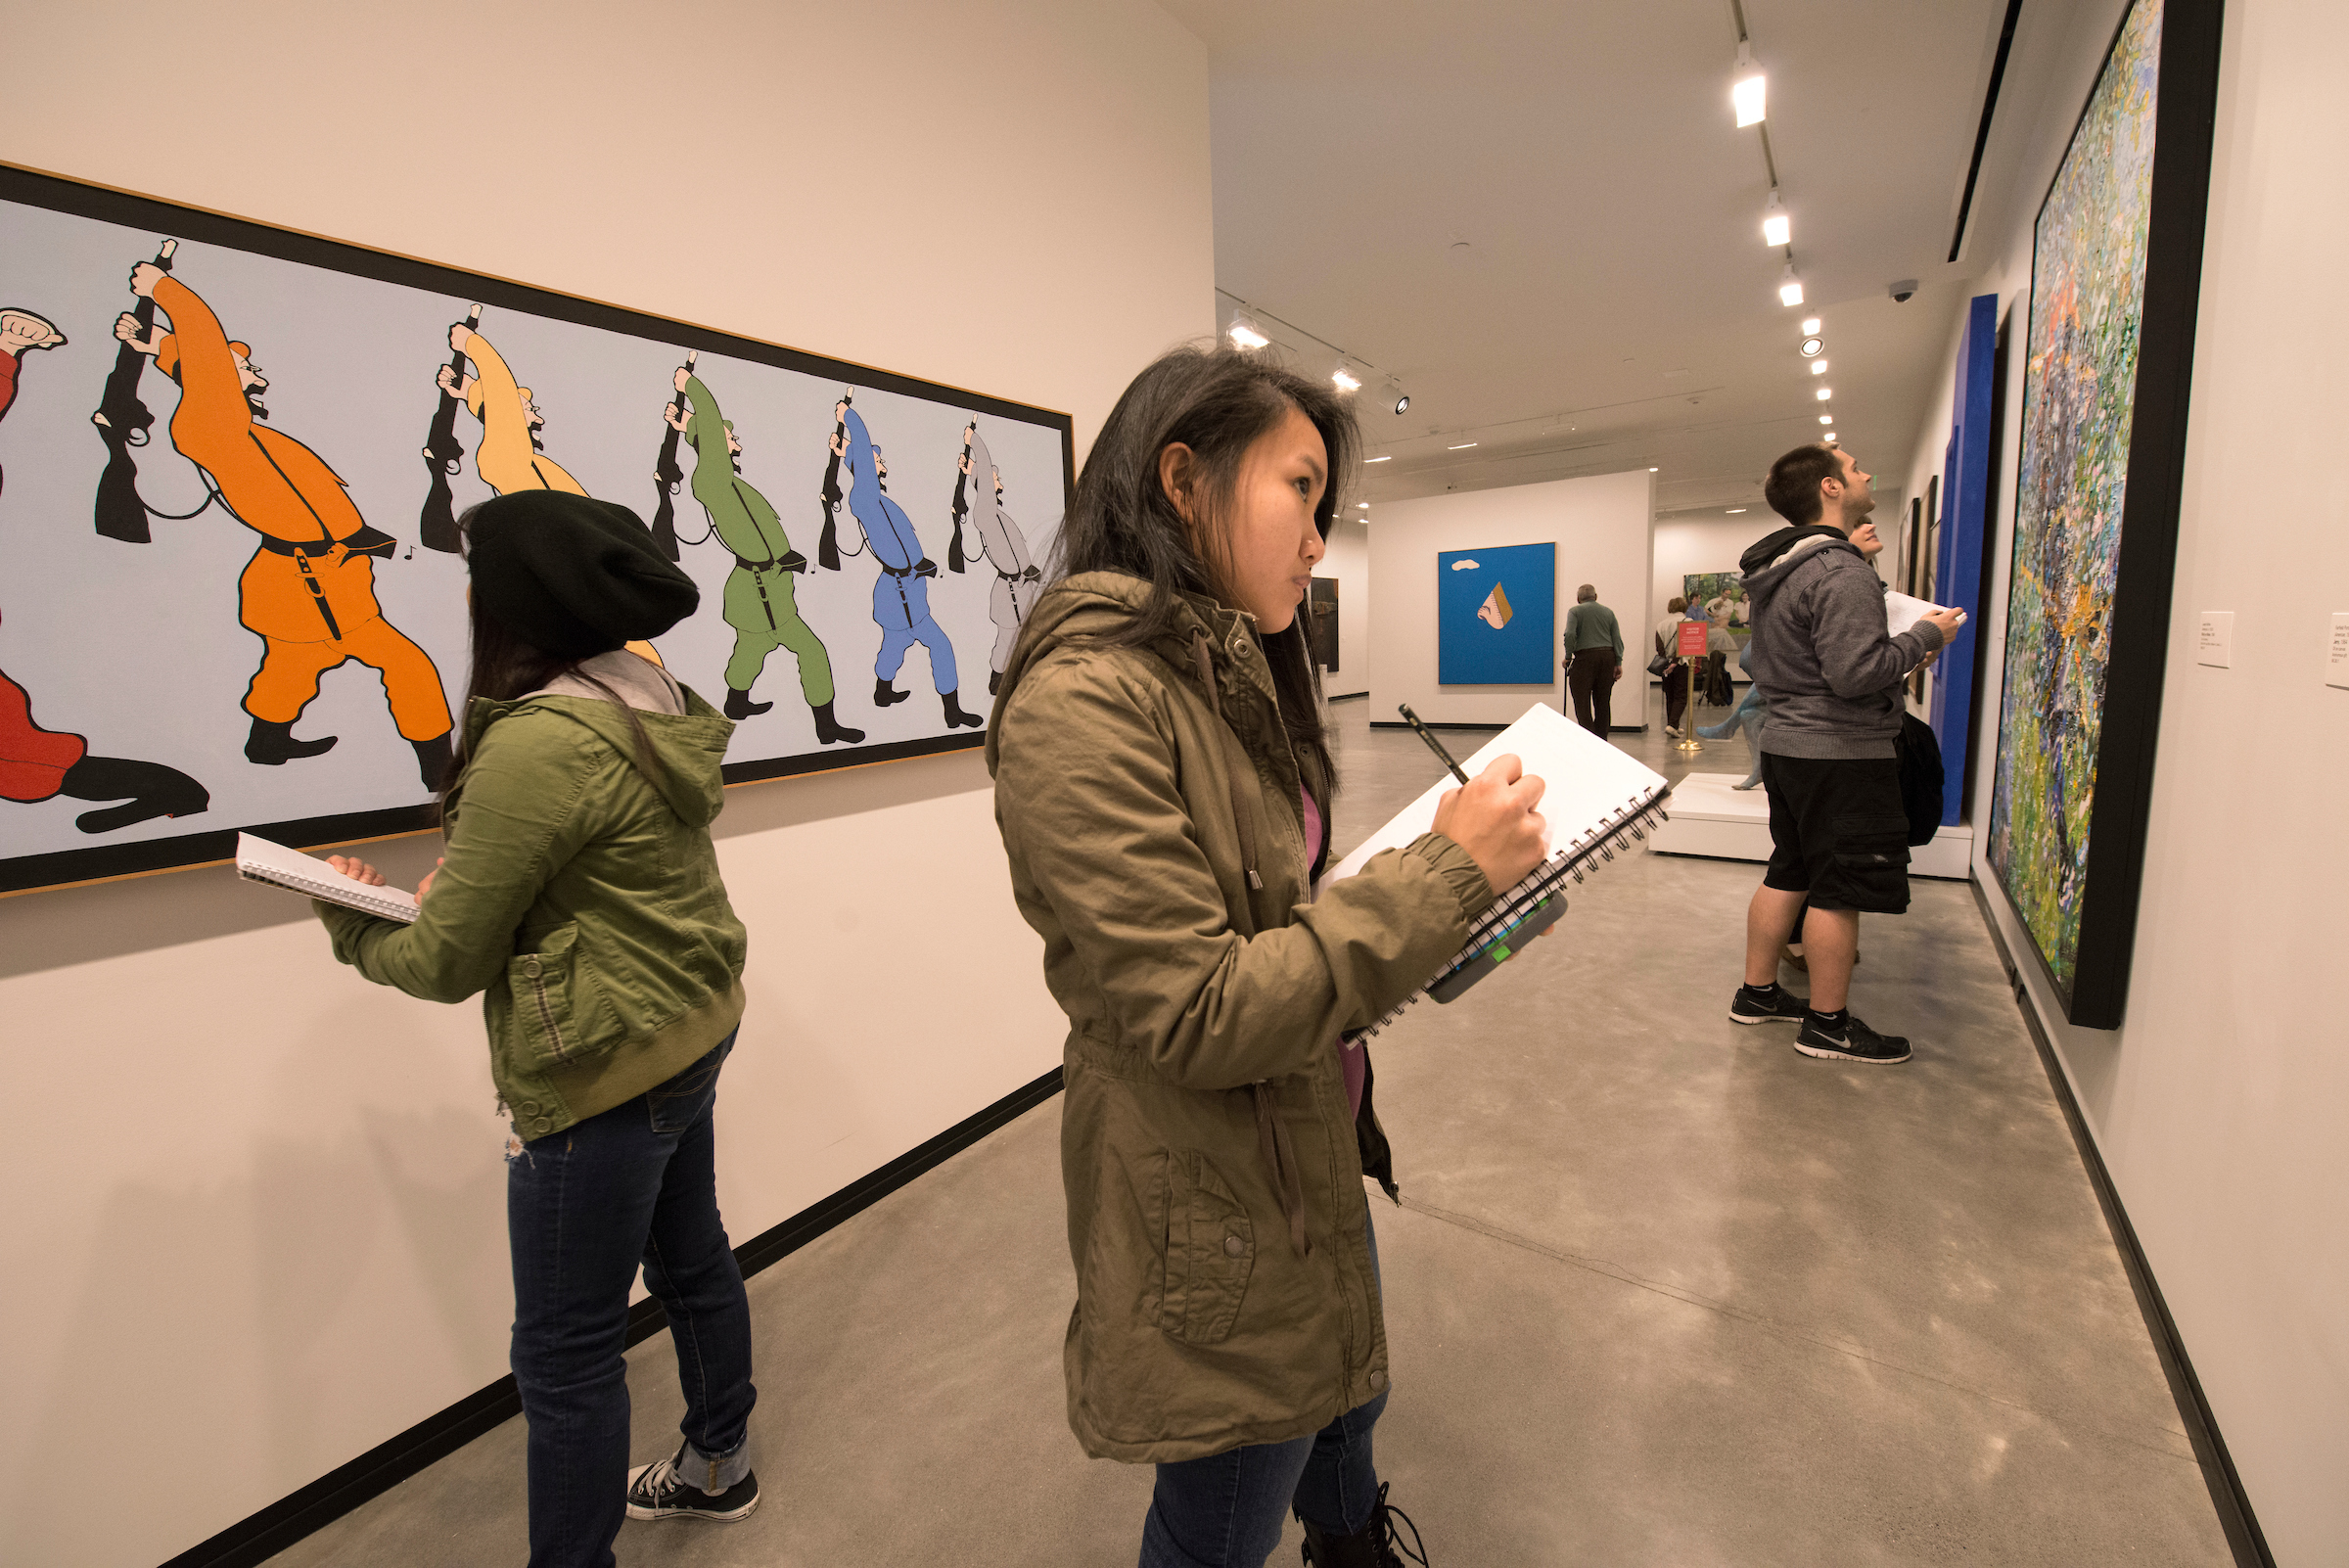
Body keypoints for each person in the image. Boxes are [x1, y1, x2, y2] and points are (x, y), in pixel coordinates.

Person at [988, 344, 1547, 1568]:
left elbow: (1260, 908)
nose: (1316, 540)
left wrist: (1407, 896)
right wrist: (1440, 877)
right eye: (1301, 491)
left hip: (1307, 1132)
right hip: (1213, 1188)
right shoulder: (1083, 701)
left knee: (1348, 1398)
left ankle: (1348, 1544)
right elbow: (1195, 1006)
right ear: (1183, 480)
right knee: (1224, 1512)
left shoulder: (1223, 669)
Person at [314, 490, 762, 1568]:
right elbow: (592, 883)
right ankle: (718, 1464)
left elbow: (443, 960)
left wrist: (346, 916)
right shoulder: (649, 694)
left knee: (564, 1354)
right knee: (691, 1254)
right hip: (689, 1025)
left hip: (599, 1067)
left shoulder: (538, 743)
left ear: (510, 603)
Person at [114, 263, 455, 788]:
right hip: (301, 584)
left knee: (290, 673)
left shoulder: (243, 430)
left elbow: (320, 509)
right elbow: (204, 351)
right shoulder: (209, 425)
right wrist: (163, 291)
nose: (258, 375)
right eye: (240, 368)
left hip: (333, 577)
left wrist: (157, 341)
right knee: (400, 667)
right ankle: (439, 774)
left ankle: (268, 746)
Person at [1727, 443, 1960, 1063]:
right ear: (1830, 488)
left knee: (1793, 868)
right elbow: (1856, 674)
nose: (1865, 475)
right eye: (1855, 468)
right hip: (1839, 751)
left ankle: (1758, 995)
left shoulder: (1785, 568)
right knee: (1839, 887)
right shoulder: (1840, 571)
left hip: (1791, 747)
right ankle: (1827, 1026)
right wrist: (1924, 636)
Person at [665, 366, 861, 741]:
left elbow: (760, 530)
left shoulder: (731, 482)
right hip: (754, 593)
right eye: (727, 435)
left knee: (753, 653)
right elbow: (708, 423)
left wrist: (786, 556)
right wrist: (688, 385)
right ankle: (822, 724)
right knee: (794, 650)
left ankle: (745, 704)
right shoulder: (711, 478)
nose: (734, 438)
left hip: (773, 585)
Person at [1562, 582, 1624, 739]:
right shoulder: (1608, 613)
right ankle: (1602, 739)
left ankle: (1588, 739)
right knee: (1603, 702)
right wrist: (1618, 662)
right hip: (1607, 658)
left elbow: (1569, 634)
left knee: (1582, 703)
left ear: (1578, 599)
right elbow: (1617, 639)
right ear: (1596, 597)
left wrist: (1568, 656)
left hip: (1584, 659)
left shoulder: (1574, 611)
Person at [1653, 594, 1691, 736]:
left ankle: (1673, 724)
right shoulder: (1688, 621)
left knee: (1670, 694)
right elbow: (1685, 644)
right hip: (1681, 663)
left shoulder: (1661, 624)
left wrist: (1667, 662)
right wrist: (1675, 661)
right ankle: (1672, 724)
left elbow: (1659, 646)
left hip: (1665, 664)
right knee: (1681, 695)